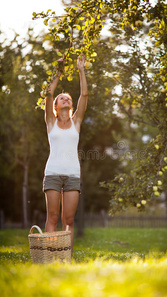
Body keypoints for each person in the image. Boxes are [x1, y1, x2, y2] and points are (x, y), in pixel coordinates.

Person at [43, 54, 87, 255]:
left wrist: (81, 69)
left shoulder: (76, 122)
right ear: (56, 106)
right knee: (52, 217)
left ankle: (65, 257)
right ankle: (50, 255)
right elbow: (48, 93)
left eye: (68, 97)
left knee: (68, 220)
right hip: (52, 173)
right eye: (62, 98)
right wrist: (58, 71)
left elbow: (84, 96)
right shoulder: (50, 122)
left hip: (72, 175)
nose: (66, 98)